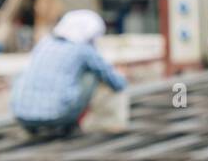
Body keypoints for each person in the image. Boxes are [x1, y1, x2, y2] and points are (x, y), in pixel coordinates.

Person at [10, 9, 128, 138]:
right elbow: (116, 83)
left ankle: (37, 127)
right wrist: (121, 75)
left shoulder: (45, 43)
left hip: (22, 116)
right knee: (92, 75)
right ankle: (105, 123)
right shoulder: (83, 50)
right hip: (59, 115)